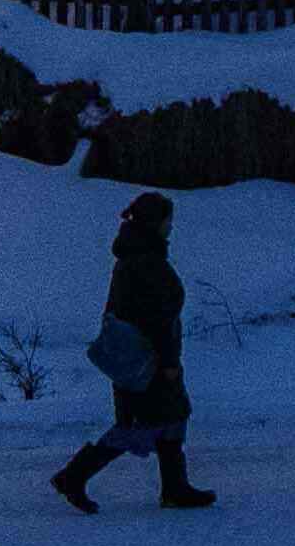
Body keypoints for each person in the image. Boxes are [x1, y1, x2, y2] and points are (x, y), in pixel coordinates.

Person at [46, 189, 216, 512]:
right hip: (147, 359)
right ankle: (74, 476)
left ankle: (174, 487)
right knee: (142, 423)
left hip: (138, 357)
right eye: (167, 220)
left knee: (170, 417)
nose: (171, 227)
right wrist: (167, 361)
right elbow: (157, 318)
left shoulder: (134, 258)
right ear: (155, 223)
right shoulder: (145, 262)